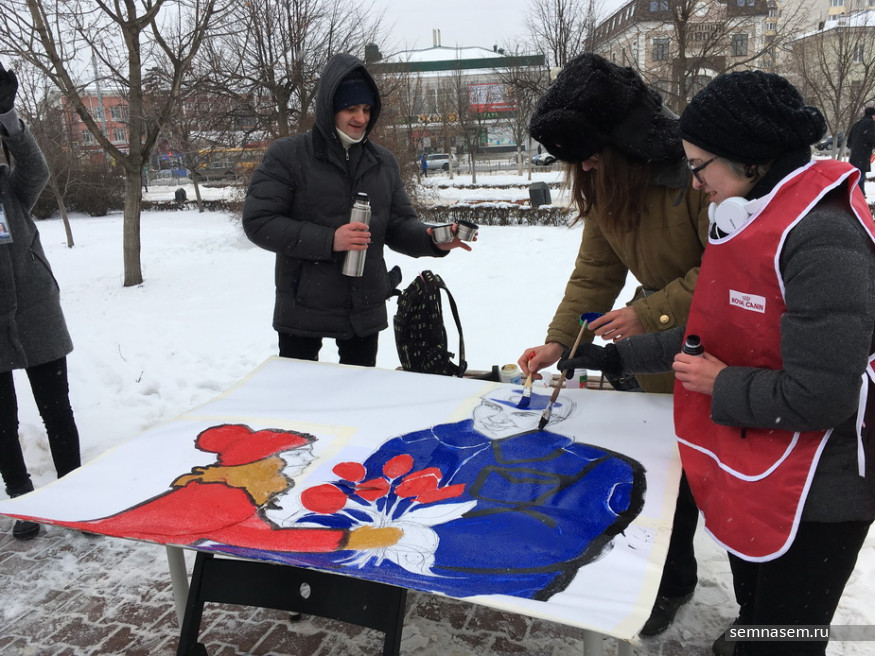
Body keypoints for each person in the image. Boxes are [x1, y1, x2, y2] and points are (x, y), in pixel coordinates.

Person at [559, 70, 875, 656]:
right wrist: (619, 357)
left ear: (748, 159)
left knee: (787, 636)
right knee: (756, 600)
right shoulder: (749, 214)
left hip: (821, 488)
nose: (694, 182)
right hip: (759, 456)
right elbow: (714, 327)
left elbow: (822, 396)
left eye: (699, 166)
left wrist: (721, 382)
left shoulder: (825, 239)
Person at [517, 53, 711, 636]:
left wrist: (646, 312)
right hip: (648, 348)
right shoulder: (605, 178)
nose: (585, 167)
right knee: (650, 465)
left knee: (683, 476)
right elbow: (595, 273)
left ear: (624, 140)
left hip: (705, 342)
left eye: (591, 154)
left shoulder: (695, 175)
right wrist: (558, 342)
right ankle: (643, 569)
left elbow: (725, 273)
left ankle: (672, 582)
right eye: (577, 160)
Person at [221, 388, 645, 602]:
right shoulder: (423, 440)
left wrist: (425, 541)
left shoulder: (594, 466)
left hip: (489, 579)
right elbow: (360, 489)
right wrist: (317, 525)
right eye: (493, 407)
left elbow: (562, 535)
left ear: (551, 415)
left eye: (522, 413)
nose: (500, 420)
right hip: (366, 552)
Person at [242, 53, 471, 367]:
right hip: (302, 306)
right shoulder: (289, 155)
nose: (360, 118)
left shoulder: (383, 162)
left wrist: (432, 239)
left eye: (366, 109)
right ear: (330, 108)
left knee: (360, 393)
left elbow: (397, 224)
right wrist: (330, 240)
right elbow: (259, 222)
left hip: (364, 306)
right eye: (351, 109)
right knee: (299, 394)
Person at [0, 61, 82, 541]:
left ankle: (77, 495)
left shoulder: (10, 186)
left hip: (36, 310)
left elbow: (37, 168)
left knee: (57, 408)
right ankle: (23, 499)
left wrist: (8, 117)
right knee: (2, 421)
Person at [847, 106, 875, 194]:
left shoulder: (856, 124)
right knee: (858, 179)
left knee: (858, 177)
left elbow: (849, 143)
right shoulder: (871, 124)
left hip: (854, 157)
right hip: (863, 156)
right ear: (873, 115)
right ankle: (853, 195)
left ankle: (861, 195)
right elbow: (873, 139)